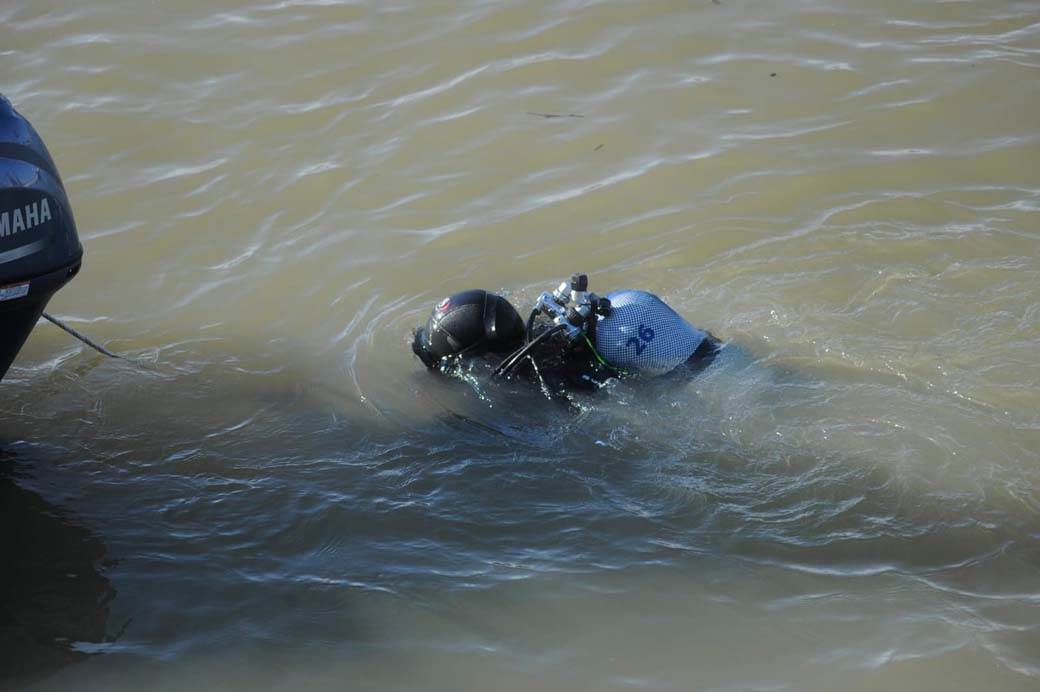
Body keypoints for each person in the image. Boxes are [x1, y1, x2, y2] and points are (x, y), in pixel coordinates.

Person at [411, 274, 722, 398]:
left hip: (689, 382)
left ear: (486, 357)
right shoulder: (551, 329)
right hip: (711, 352)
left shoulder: (541, 380)